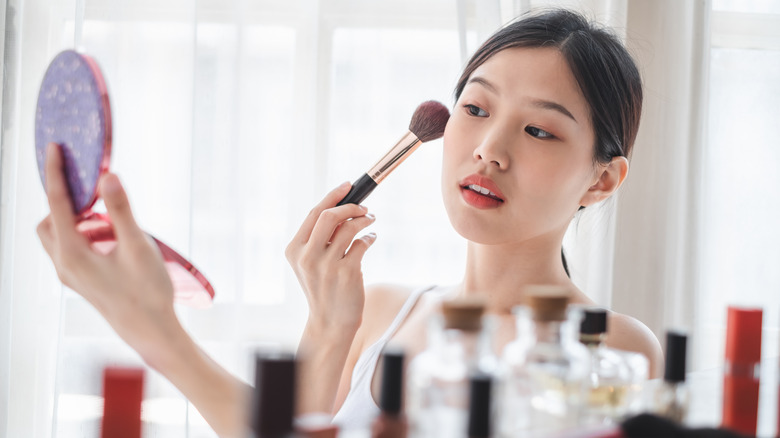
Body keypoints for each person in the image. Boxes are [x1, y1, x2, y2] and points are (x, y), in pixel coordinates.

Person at [37, 7, 663, 437]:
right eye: (474, 107)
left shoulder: (613, 350)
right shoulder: (378, 311)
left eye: (538, 130)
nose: (490, 149)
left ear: (602, 179)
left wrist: (154, 328)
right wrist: (330, 327)